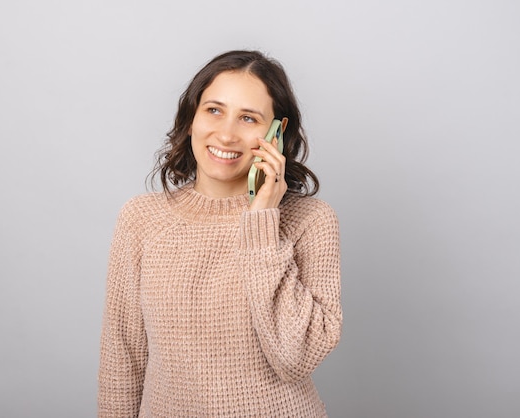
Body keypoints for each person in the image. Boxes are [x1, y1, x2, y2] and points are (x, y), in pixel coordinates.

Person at [98, 50, 342, 417]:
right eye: (214, 110)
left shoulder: (311, 221)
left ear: (276, 134)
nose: (226, 134)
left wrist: (262, 222)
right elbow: (122, 358)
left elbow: (296, 357)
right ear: (191, 118)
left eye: (248, 118)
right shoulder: (141, 219)